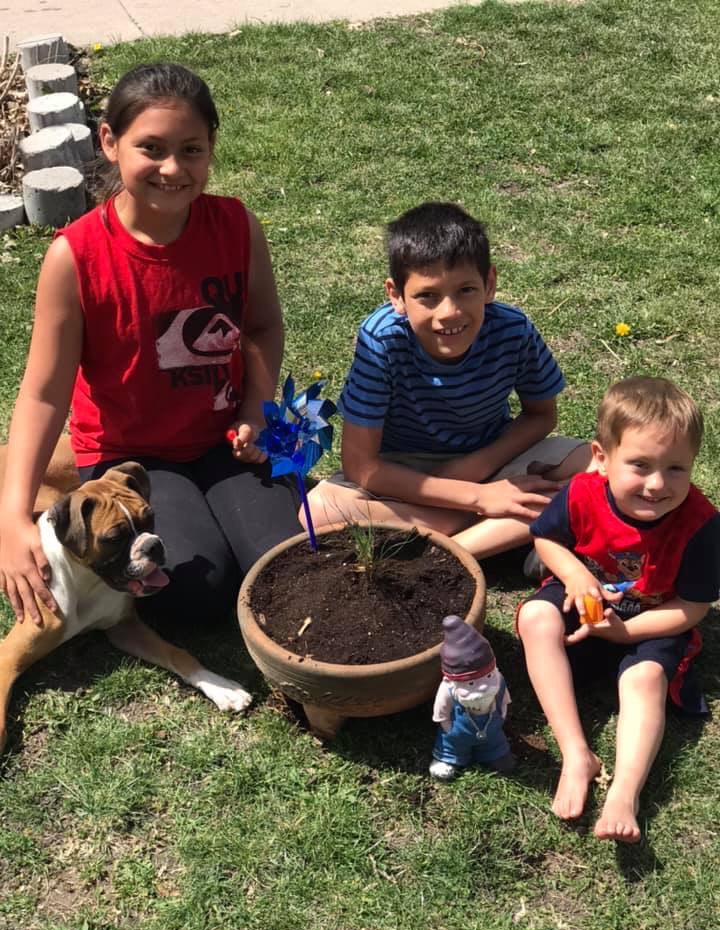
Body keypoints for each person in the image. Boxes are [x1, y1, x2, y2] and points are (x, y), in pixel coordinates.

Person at [0, 62, 301, 627]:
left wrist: (254, 409)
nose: (173, 168)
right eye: (152, 148)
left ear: (211, 148)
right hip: (131, 456)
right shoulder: (75, 257)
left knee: (282, 566)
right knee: (194, 591)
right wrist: (11, 519)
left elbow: (262, 327)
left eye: (191, 150)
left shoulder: (237, 226)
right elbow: (42, 395)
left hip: (225, 440)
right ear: (109, 142)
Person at [303, 201, 591, 558]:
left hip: (490, 458)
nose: (449, 312)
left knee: (596, 466)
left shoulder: (513, 330)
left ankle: (446, 547)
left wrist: (473, 468)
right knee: (318, 510)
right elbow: (361, 467)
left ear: (489, 284)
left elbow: (542, 415)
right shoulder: (382, 340)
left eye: (466, 290)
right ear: (396, 296)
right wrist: (478, 497)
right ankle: (490, 528)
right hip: (403, 472)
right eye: (427, 296)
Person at [518, 377, 720, 842]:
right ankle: (575, 753)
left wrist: (626, 633)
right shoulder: (581, 492)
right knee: (535, 618)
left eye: (676, 468)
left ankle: (624, 793)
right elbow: (546, 539)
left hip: (653, 616)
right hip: (584, 599)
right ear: (602, 458)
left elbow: (692, 606)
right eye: (640, 465)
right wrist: (575, 575)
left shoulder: (701, 524)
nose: (657, 484)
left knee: (644, 679)